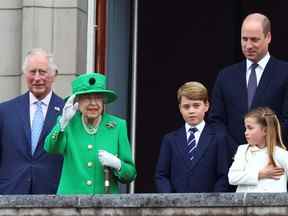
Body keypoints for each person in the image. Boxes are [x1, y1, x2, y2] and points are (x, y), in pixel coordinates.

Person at [209, 13, 288, 156]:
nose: (248, 45)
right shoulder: (225, 76)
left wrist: (264, 149)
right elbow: (216, 121)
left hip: (272, 161)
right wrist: (239, 152)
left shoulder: (284, 73)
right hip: (233, 163)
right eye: (244, 39)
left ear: (268, 37)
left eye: (254, 40)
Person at [44, 72, 136, 195]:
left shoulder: (117, 126)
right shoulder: (68, 123)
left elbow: (130, 174)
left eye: (98, 97)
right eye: (87, 97)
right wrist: (62, 123)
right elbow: (51, 148)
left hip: (106, 205)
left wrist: (118, 164)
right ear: (77, 101)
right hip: (70, 204)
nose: (93, 103)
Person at [0, 48, 64, 194]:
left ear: (54, 75)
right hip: (10, 196)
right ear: (25, 74)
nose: (37, 78)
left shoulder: (67, 112)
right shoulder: (5, 111)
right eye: (32, 72)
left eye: (42, 72)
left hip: (53, 198)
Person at [155, 81, 231, 193]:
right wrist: (170, 200)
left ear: (206, 106)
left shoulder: (219, 138)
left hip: (209, 206)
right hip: (175, 205)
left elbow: (223, 176)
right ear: (180, 108)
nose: (191, 111)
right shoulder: (170, 140)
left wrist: (214, 203)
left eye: (196, 105)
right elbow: (161, 175)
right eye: (186, 106)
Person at [228, 107, 288, 192]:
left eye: (250, 128)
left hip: (272, 204)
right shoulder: (242, 150)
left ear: (265, 130)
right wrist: (260, 174)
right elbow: (232, 177)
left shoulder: (281, 154)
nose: (246, 132)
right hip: (244, 204)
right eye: (246, 128)